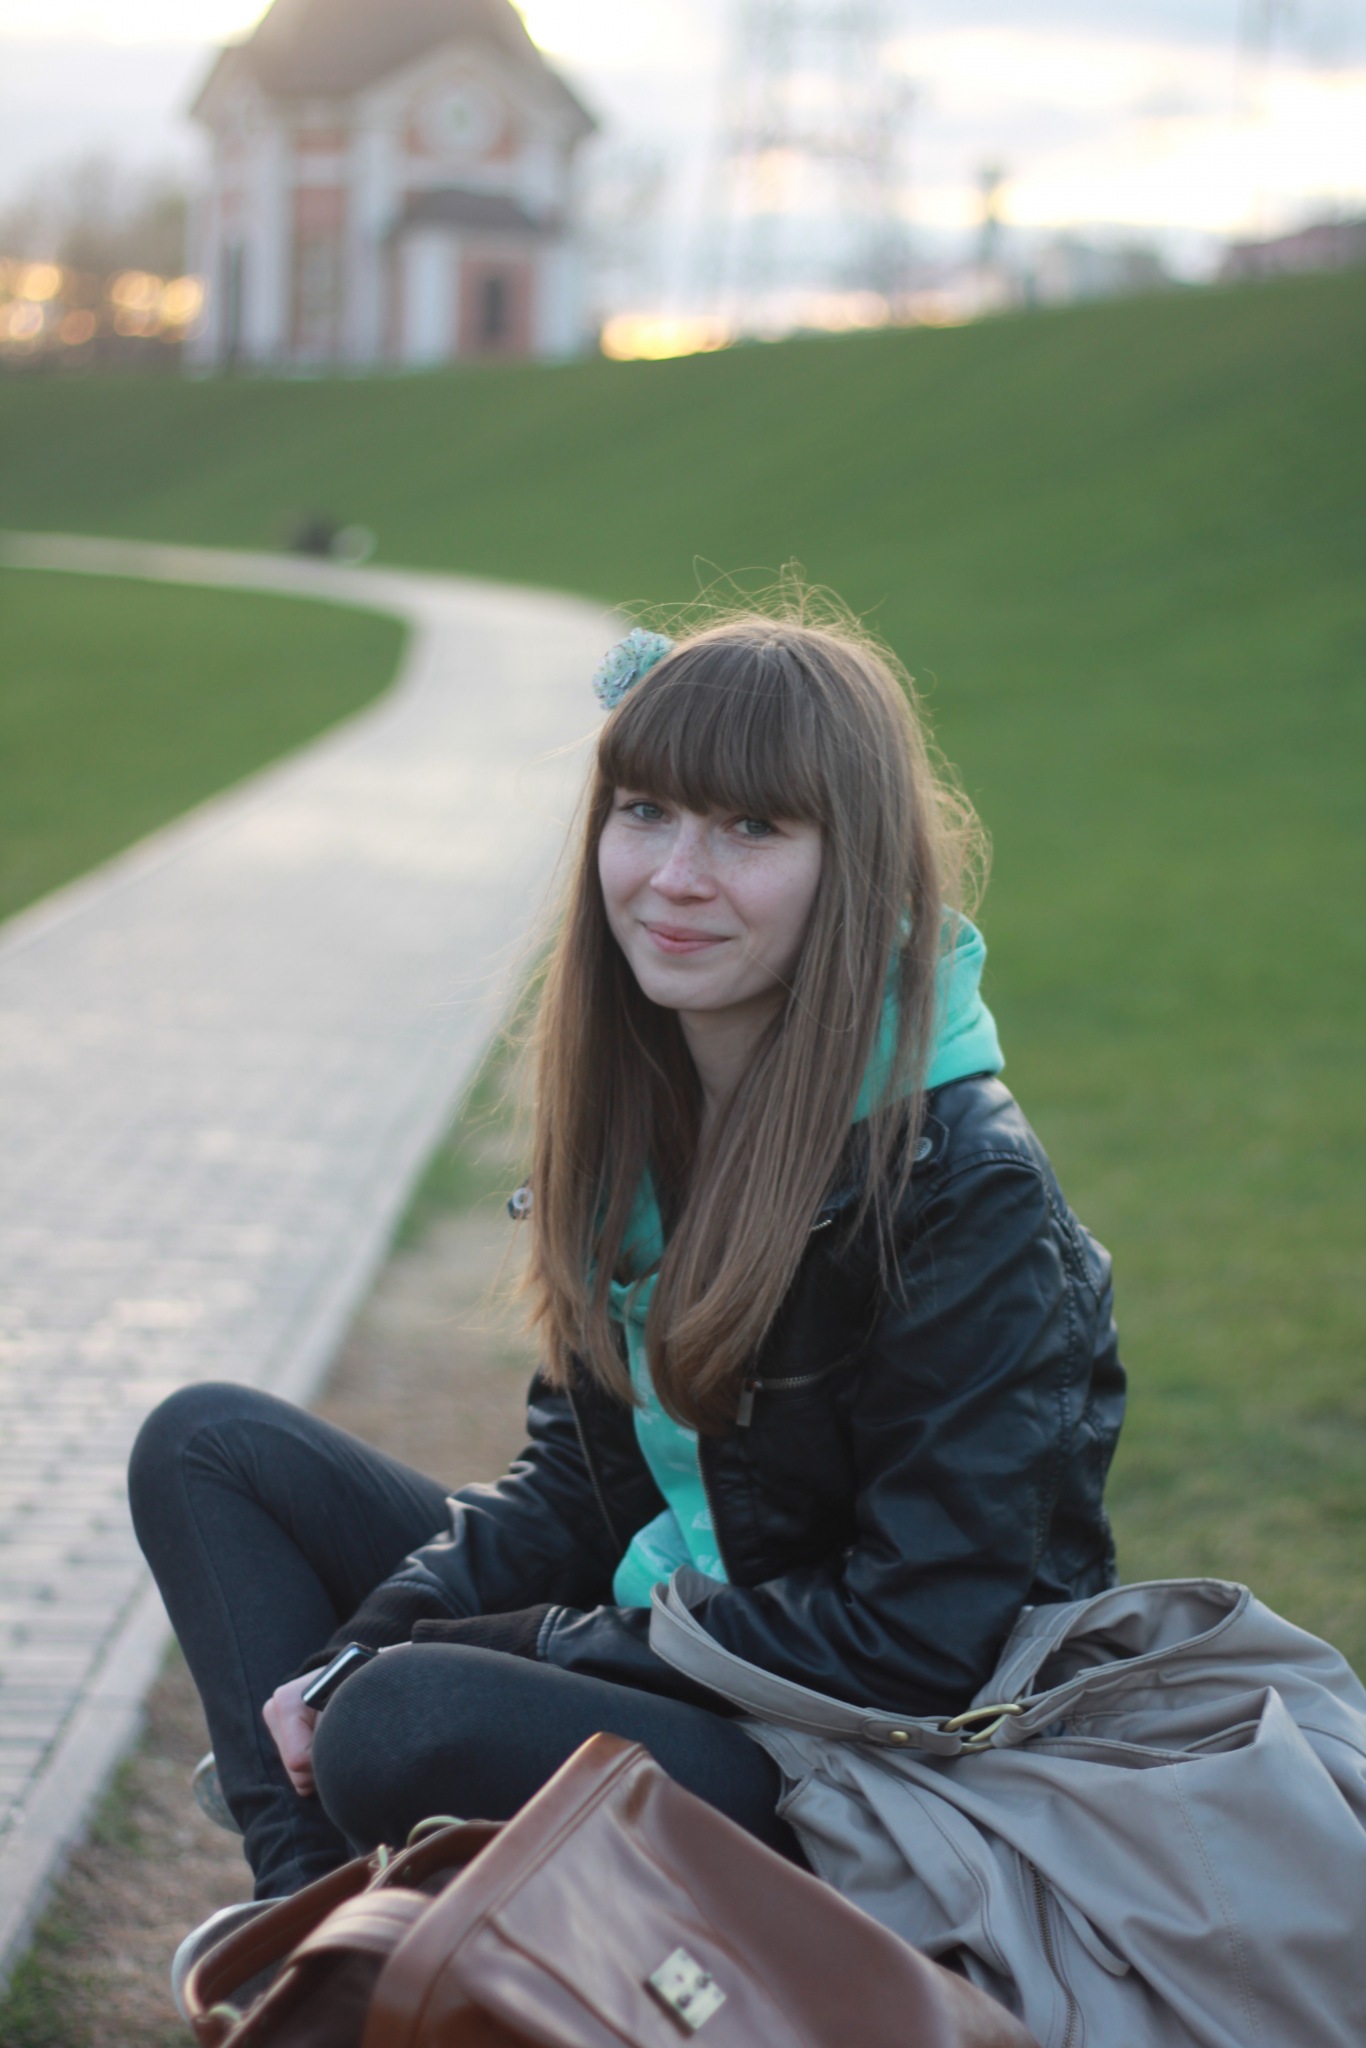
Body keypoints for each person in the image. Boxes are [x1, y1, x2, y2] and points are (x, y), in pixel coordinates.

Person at [129, 601, 1124, 1989]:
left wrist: (514, 1649)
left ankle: (331, 1957)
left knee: (402, 1723)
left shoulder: (959, 1186)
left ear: (851, 866)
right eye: (646, 812)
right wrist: (361, 1642)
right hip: (691, 1645)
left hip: (859, 1759)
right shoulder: (648, 1110)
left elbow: (918, 1643)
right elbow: (580, 1489)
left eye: (750, 828)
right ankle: (315, 1947)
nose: (674, 876)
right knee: (209, 1450)